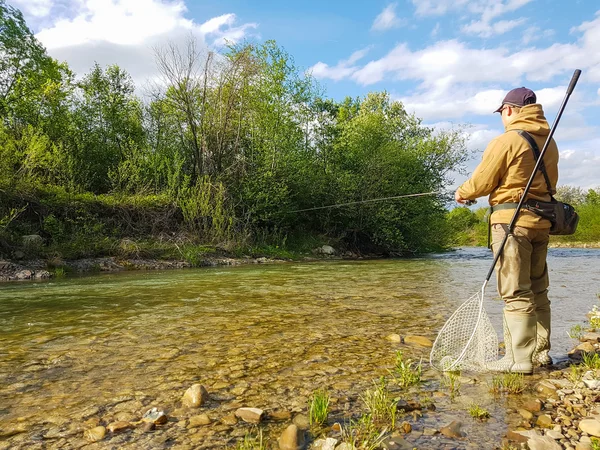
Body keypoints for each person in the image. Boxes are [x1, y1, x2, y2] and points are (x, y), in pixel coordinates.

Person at [455, 87, 558, 374]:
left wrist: (463, 193)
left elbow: (483, 181)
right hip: (541, 224)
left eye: (501, 112)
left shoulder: (508, 140)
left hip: (511, 224)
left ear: (510, 110)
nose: (502, 117)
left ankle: (519, 360)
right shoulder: (550, 142)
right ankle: (540, 352)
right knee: (539, 289)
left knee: (515, 292)